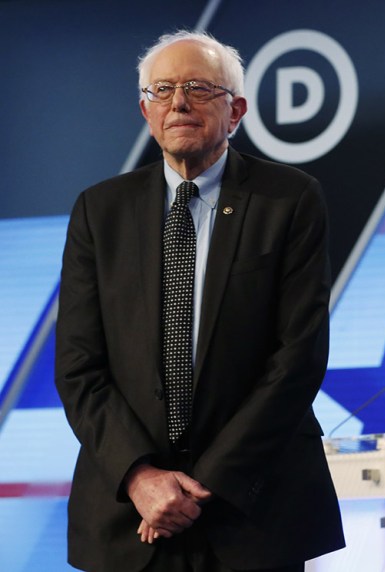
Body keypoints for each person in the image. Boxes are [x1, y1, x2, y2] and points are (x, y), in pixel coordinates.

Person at [55, 30, 344, 572]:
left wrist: (205, 483)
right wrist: (140, 477)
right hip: (129, 517)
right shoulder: (100, 211)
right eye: (161, 90)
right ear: (145, 110)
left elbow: (298, 358)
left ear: (235, 111)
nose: (178, 102)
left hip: (253, 508)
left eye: (198, 88)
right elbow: (78, 366)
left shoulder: (290, 199)